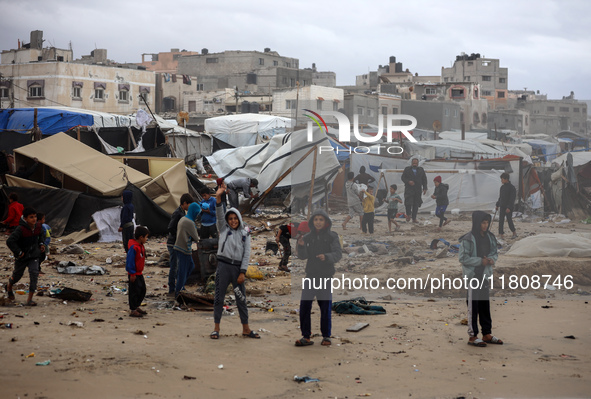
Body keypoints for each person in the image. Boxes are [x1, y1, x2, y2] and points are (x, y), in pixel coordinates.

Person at [211, 183, 260, 340]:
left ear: (239, 219)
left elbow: (246, 254)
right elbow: (219, 213)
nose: (232, 221)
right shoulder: (224, 229)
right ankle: (216, 328)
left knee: (241, 299)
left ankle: (246, 329)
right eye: (230, 218)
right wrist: (218, 196)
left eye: (235, 218)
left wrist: (243, 272)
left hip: (237, 270)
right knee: (219, 298)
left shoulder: (245, 234)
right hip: (223, 268)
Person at [295, 209, 342, 347]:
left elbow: (337, 254)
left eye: (321, 219)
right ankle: (306, 336)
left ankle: (326, 336)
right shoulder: (308, 237)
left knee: (325, 307)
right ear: (312, 222)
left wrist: (326, 257)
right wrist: (301, 246)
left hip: (326, 276)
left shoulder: (332, 236)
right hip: (311, 276)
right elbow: (303, 256)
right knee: (304, 306)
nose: (318, 222)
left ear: (326, 222)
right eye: (316, 220)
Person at [459, 211, 503, 347]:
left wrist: (491, 260)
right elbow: (463, 258)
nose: (485, 225)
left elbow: (494, 252)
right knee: (473, 305)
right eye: (483, 223)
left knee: (485, 305)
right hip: (473, 276)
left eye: (487, 223)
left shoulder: (490, 237)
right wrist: (480, 261)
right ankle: (473, 336)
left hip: (484, 275)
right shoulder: (468, 238)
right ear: (477, 223)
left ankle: (487, 334)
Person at [5, 207, 45, 306]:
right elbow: (10, 241)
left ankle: (30, 299)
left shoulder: (38, 227)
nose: (34, 219)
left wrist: (41, 243)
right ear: (25, 219)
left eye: (35, 216)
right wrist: (18, 252)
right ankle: (9, 287)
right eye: (31, 217)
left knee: (34, 274)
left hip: (34, 255)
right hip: (22, 257)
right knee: (17, 276)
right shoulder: (21, 229)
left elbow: (41, 235)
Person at [166, 193, 193, 297]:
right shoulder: (178, 213)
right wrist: (179, 236)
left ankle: (179, 286)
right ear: (185, 203)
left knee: (179, 266)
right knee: (174, 266)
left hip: (177, 243)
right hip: (173, 243)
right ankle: (172, 288)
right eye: (189, 204)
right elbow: (170, 227)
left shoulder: (182, 212)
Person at [173, 202, 201, 299]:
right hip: (184, 248)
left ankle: (181, 286)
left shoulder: (183, 218)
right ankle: (178, 291)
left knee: (189, 267)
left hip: (181, 247)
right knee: (183, 271)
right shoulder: (189, 222)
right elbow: (196, 237)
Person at [126, 226, 150, 318]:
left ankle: (136, 306)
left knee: (142, 290)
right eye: (146, 237)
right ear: (141, 237)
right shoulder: (134, 248)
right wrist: (132, 273)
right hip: (134, 273)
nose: (146, 239)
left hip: (139, 272)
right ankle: (133, 309)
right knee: (134, 291)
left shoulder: (140, 246)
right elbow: (130, 261)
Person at [401, 158, 428, 223]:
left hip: (418, 189)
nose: (415, 164)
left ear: (418, 163)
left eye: (416, 163)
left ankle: (414, 218)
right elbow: (403, 178)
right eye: (413, 163)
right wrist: (408, 181)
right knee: (408, 203)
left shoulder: (421, 170)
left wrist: (425, 188)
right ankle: (408, 214)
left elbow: (424, 179)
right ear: (411, 163)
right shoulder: (407, 169)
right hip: (409, 189)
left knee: (416, 204)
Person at [496, 172, 517, 239]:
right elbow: (500, 197)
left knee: (509, 220)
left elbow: (512, 199)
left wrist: (509, 207)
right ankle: (501, 234)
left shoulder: (512, 188)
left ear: (506, 179)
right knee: (501, 220)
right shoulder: (502, 187)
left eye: (502, 179)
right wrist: (497, 205)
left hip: (508, 207)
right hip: (502, 206)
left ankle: (514, 232)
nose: (501, 181)